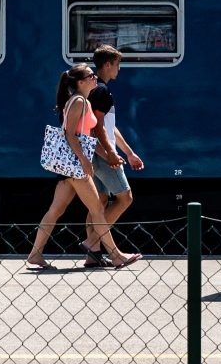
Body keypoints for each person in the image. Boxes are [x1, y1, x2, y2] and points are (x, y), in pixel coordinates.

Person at [25, 63, 138, 271]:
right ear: (81, 82)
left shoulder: (80, 100)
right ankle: (116, 255)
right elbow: (71, 135)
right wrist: (84, 161)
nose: (95, 78)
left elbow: (83, 137)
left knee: (56, 210)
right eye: (90, 75)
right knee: (97, 209)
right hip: (76, 166)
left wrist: (103, 155)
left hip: (69, 166)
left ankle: (35, 254)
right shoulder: (79, 102)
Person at [85, 44, 147, 265]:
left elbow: (110, 127)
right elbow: (97, 127)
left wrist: (129, 153)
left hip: (96, 152)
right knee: (125, 198)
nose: (119, 69)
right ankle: (92, 242)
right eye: (118, 64)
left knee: (99, 202)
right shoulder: (101, 90)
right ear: (108, 64)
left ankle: (91, 257)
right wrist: (110, 153)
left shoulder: (96, 89)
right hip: (102, 154)